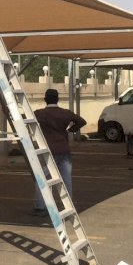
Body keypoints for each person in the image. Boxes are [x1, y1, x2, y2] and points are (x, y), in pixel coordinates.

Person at [33, 88, 86, 216]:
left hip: (47, 151)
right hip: (64, 149)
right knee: (66, 179)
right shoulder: (65, 113)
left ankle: (41, 207)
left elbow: (23, 119)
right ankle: (68, 205)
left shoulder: (39, 114)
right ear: (58, 99)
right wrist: (70, 130)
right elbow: (82, 121)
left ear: (45, 100)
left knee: (43, 179)